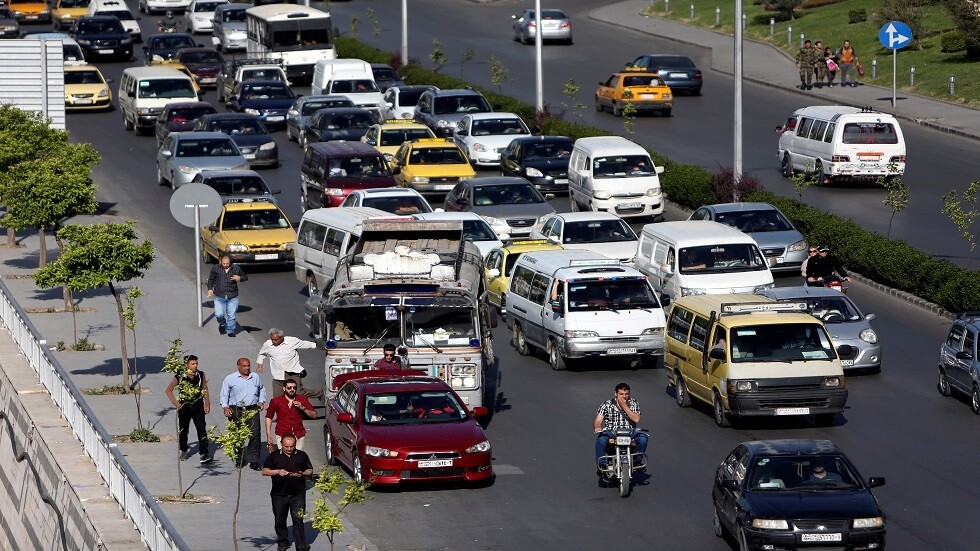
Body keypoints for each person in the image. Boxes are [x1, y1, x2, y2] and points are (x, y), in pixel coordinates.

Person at [261, 435, 313, 551]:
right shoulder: (274, 456)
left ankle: (300, 544)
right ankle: (282, 542)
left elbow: (310, 470)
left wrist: (302, 473)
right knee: (280, 520)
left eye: (292, 446)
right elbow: (264, 471)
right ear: (281, 444)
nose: (289, 449)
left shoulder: (301, 455)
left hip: (297, 494)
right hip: (279, 494)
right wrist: (277, 472)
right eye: (286, 446)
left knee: (298, 519)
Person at [220, 358, 266, 470]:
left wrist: (261, 401)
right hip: (236, 410)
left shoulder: (255, 377)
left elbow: (262, 389)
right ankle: (239, 458)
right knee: (238, 435)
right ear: (238, 366)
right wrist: (225, 407)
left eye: (248, 366)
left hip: (252, 409)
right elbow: (224, 394)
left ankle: (254, 460)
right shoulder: (230, 379)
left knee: (255, 435)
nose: (247, 368)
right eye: (244, 366)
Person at [165, 355, 212, 463]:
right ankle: (184, 450)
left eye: (196, 363)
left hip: (198, 406)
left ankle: (204, 453)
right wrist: (177, 404)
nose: (195, 366)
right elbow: (168, 390)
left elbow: (204, 389)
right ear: (187, 364)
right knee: (183, 430)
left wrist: (207, 404)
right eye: (193, 364)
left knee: (201, 429)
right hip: (184, 407)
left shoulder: (200, 375)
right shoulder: (180, 376)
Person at [593, 383, 648, 474]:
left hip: (629, 431)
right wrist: (597, 427)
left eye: (626, 394)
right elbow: (598, 420)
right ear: (616, 393)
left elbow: (636, 419)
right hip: (612, 431)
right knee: (601, 440)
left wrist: (624, 406)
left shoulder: (634, 403)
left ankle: (637, 462)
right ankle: (602, 464)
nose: (624, 396)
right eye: (621, 394)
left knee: (643, 438)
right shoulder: (606, 404)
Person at [256, 328, 323, 401]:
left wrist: (319, 346)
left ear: (282, 337)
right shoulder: (268, 344)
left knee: (299, 393)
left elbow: (306, 344)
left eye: (276, 340)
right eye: (272, 339)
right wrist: (260, 365)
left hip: (292, 373)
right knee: (277, 399)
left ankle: (319, 393)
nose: (273, 342)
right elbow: (261, 354)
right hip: (278, 375)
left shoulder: (292, 341)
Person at [265, 378, 316, 451]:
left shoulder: (302, 399)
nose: (292, 389)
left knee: (297, 460)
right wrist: (268, 434)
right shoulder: (276, 401)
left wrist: (302, 408)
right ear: (284, 388)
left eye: (294, 388)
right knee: (284, 459)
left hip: (298, 434)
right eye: (289, 388)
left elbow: (313, 415)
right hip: (282, 434)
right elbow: (268, 417)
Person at [207, 255, 247, 337]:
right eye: (224, 263)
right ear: (221, 262)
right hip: (219, 296)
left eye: (227, 263)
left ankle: (230, 331)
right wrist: (210, 289)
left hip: (232, 296)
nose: (225, 265)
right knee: (219, 314)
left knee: (231, 315)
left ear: (230, 262)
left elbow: (245, 276)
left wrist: (239, 277)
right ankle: (222, 324)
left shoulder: (236, 268)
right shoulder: (216, 268)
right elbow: (211, 279)